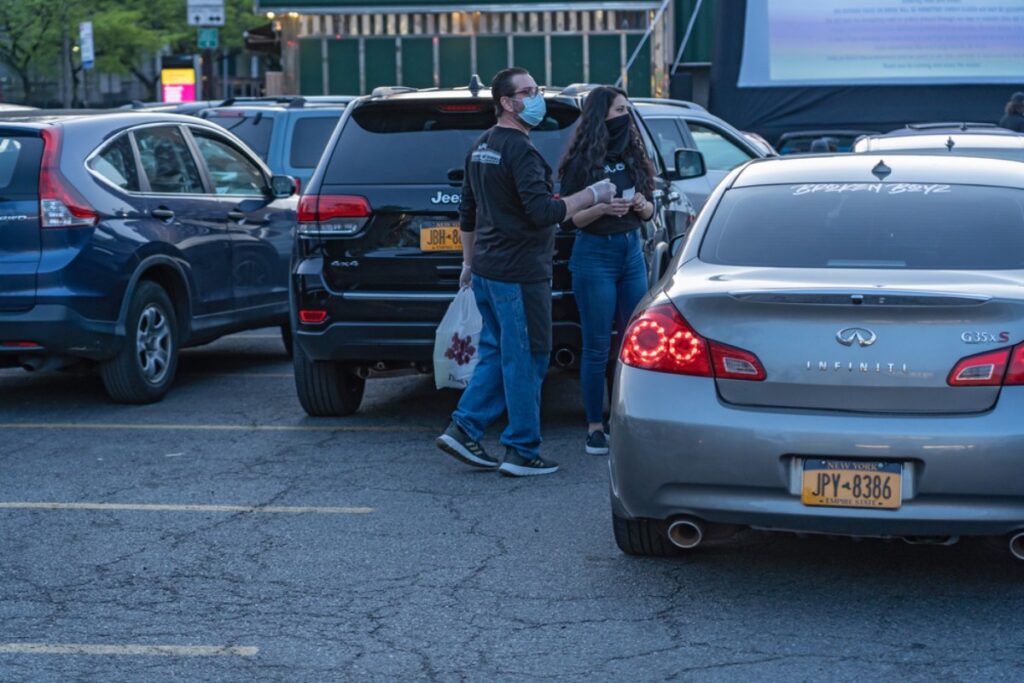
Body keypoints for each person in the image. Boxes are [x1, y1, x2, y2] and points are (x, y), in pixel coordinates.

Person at [435, 67, 616, 477]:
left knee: (499, 354)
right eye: (527, 92)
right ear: (506, 102)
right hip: (519, 273)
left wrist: (468, 263)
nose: (536, 98)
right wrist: (594, 193)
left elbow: (468, 213)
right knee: (528, 357)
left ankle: (465, 427)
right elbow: (544, 213)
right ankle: (521, 450)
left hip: (488, 269)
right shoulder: (521, 150)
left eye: (536, 90)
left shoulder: (481, 145)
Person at [557, 86, 656, 455]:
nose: (626, 115)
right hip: (594, 255)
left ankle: (627, 418)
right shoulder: (582, 163)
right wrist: (600, 208)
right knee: (597, 344)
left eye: (628, 109)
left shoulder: (633, 153)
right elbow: (568, 219)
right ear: (603, 115)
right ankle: (595, 426)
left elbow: (650, 213)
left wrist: (642, 205)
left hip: (630, 252)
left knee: (634, 343)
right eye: (619, 109)